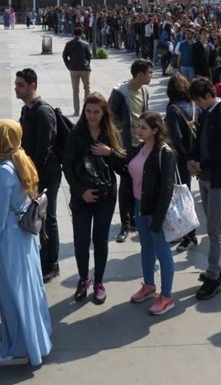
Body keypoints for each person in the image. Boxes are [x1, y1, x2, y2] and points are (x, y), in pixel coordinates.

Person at [0, 119, 53, 367]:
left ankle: (20, 348)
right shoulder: (22, 160)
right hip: (24, 236)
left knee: (12, 293)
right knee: (27, 290)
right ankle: (23, 340)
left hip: (8, 239)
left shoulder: (3, 172)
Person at [62, 92, 126, 304]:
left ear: (103, 112)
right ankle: (83, 278)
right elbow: (68, 167)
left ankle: (99, 281)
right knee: (81, 241)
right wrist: (81, 191)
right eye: (88, 111)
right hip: (82, 197)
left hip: (106, 196)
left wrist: (110, 153)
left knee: (100, 240)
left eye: (96, 112)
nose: (92, 115)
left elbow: (122, 166)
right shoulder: (76, 133)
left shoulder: (109, 133)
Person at [187, 77, 221, 300]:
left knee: (215, 228)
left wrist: (201, 163)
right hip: (206, 176)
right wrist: (193, 159)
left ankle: (213, 275)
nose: (197, 105)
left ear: (208, 96)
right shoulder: (207, 113)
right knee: (218, 224)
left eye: (198, 100)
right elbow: (199, 142)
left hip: (218, 177)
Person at [128, 112, 177, 316]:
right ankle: (149, 285)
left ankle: (167, 296)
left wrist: (158, 218)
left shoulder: (164, 152)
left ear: (155, 130)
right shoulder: (141, 147)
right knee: (146, 247)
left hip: (155, 209)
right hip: (140, 205)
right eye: (138, 126)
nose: (138, 131)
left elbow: (166, 188)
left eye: (143, 128)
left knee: (162, 251)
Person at [15, 68, 61, 282]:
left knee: (48, 217)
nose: (16, 88)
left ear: (33, 85)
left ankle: (52, 263)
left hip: (47, 175)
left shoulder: (43, 111)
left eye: (20, 85)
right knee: (39, 218)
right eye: (16, 84)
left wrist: (34, 178)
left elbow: (45, 149)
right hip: (34, 174)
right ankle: (44, 256)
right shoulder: (27, 110)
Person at [108, 59, 153, 243]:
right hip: (125, 147)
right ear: (140, 74)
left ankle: (135, 220)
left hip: (141, 146)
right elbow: (109, 119)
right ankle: (124, 225)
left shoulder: (144, 91)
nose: (152, 75)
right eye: (149, 72)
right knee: (126, 185)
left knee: (139, 184)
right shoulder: (120, 93)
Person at [164, 73, 199, 251]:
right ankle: (185, 232)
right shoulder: (193, 105)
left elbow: (175, 138)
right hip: (195, 155)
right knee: (186, 193)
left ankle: (189, 235)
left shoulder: (172, 109)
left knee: (180, 197)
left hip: (180, 158)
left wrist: (185, 159)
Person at [62, 27, 93, 116]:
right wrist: (87, 64)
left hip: (73, 69)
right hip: (84, 69)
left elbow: (64, 56)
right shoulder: (85, 44)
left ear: (73, 34)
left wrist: (69, 65)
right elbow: (88, 56)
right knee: (87, 88)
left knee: (75, 90)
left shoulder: (69, 44)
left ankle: (76, 110)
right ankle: (86, 108)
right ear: (81, 34)